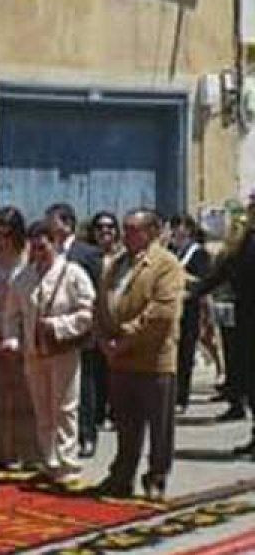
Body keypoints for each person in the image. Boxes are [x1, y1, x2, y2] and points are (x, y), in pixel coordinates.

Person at [93, 208, 183, 500]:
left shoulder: (166, 264)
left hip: (153, 359)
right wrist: (104, 338)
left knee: (159, 426)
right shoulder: (116, 264)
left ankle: (157, 476)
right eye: (125, 228)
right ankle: (122, 475)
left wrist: (125, 338)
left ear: (151, 232)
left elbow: (161, 312)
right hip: (120, 359)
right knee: (126, 424)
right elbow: (101, 304)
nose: (127, 234)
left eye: (134, 229)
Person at [4, 221, 95, 484]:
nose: (39, 253)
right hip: (34, 352)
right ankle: (49, 459)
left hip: (62, 350)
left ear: (54, 243)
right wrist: (11, 339)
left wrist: (59, 326)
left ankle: (68, 461)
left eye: (43, 247)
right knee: (42, 407)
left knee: (65, 407)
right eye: (34, 248)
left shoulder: (73, 273)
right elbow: (11, 314)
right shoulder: (23, 277)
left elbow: (88, 312)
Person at [194, 195, 255, 443]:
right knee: (249, 379)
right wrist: (193, 293)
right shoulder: (245, 242)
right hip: (246, 319)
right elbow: (222, 273)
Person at [45, 203, 104, 459]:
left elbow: (97, 291)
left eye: (52, 221)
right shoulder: (45, 250)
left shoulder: (88, 253)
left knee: (85, 387)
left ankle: (87, 434)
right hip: (51, 331)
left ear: (66, 223)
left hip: (80, 329)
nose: (49, 227)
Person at [0, 206, 38, 470]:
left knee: (25, 392)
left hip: (21, 327)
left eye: (8, 233)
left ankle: (29, 452)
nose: (3, 238)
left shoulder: (28, 254)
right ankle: (1, 451)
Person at [168, 214, 211, 414]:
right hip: (170, 311)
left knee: (185, 355)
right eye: (174, 226)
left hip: (189, 310)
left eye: (180, 226)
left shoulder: (198, 254)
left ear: (189, 230)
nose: (176, 231)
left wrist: (182, 278)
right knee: (170, 356)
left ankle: (181, 398)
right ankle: (168, 395)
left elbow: (203, 280)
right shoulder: (169, 251)